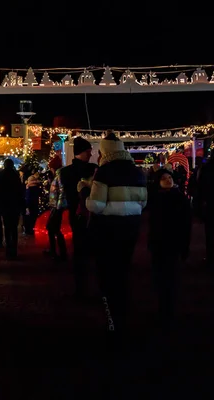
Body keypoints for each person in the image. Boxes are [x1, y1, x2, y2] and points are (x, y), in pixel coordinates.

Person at [87, 132, 147, 339]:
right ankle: (124, 302)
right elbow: (143, 203)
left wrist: (84, 194)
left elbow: (96, 204)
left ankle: (110, 309)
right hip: (131, 225)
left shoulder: (104, 173)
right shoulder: (138, 172)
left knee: (107, 268)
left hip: (108, 226)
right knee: (123, 265)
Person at [148, 169, 191, 328]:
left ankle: (169, 310)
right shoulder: (155, 199)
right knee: (160, 277)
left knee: (171, 277)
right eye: (164, 178)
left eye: (169, 177)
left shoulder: (179, 198)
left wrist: (184, 245)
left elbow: (186, 225)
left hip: (173, 243)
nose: (168, 180)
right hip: (159, 243)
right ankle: (163, 307)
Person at [58, 137, 97, 299]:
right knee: (89, 250)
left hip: (76, 214)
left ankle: (81, 287)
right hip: (90, 213)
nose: (91, 154)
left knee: (79, 250)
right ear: (83, 152)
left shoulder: (65, 172)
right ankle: (91, 287)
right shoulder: (92, 169)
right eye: (88, 151)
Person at [0, 159, 24, 260]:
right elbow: (20, 192)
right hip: (14, 206)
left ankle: (8, 249)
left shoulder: (1, 175)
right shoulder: (15, 175)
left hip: (5, 206)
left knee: (7, 228)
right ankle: (14, 249)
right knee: (14, 228)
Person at [46, 169, 68, 262]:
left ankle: (59, 252)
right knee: (52, 228)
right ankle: (55, 250)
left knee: (53, 228)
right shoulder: (58, 176)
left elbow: (62, 191)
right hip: (55, 205)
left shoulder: (60, 176)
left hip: (57, 206)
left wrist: (58, 205)